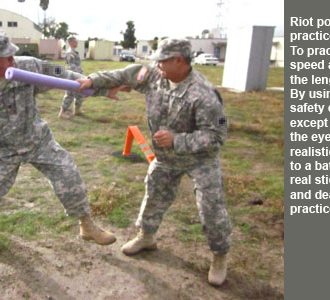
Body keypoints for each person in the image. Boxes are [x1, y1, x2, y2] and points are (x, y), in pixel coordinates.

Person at [0, 29, 116, 249]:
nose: (12, 60)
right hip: (0, 149)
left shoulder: (29, 65)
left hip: (37, 140)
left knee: (69, 175)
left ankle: (86, 225)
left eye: (12, 54)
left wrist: (103, 87)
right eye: (5, 57)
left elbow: (63, 74)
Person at [77, 38, 232, 286]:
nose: (156, 64)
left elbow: (218, 134)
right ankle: (146, 236)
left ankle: (220, 255)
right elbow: (123, 75)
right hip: (166, 158)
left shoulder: (205, 94)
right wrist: (93, 80)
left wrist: (177, 140)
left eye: (162, 60)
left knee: (210, 209)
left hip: (199, 160)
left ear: (179, 61)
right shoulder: (154, 75)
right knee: (154, 193)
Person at [58, 35, 84, 118]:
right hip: (72, 77)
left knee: (79, 93)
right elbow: (72, 67)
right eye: (75, 41)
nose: (76, 43)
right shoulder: (70, 53)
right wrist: (78, 76)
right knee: (70, 94)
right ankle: (62, 112)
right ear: (71, 42)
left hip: (78, 76)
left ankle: (77, 110)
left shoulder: (74, 52)